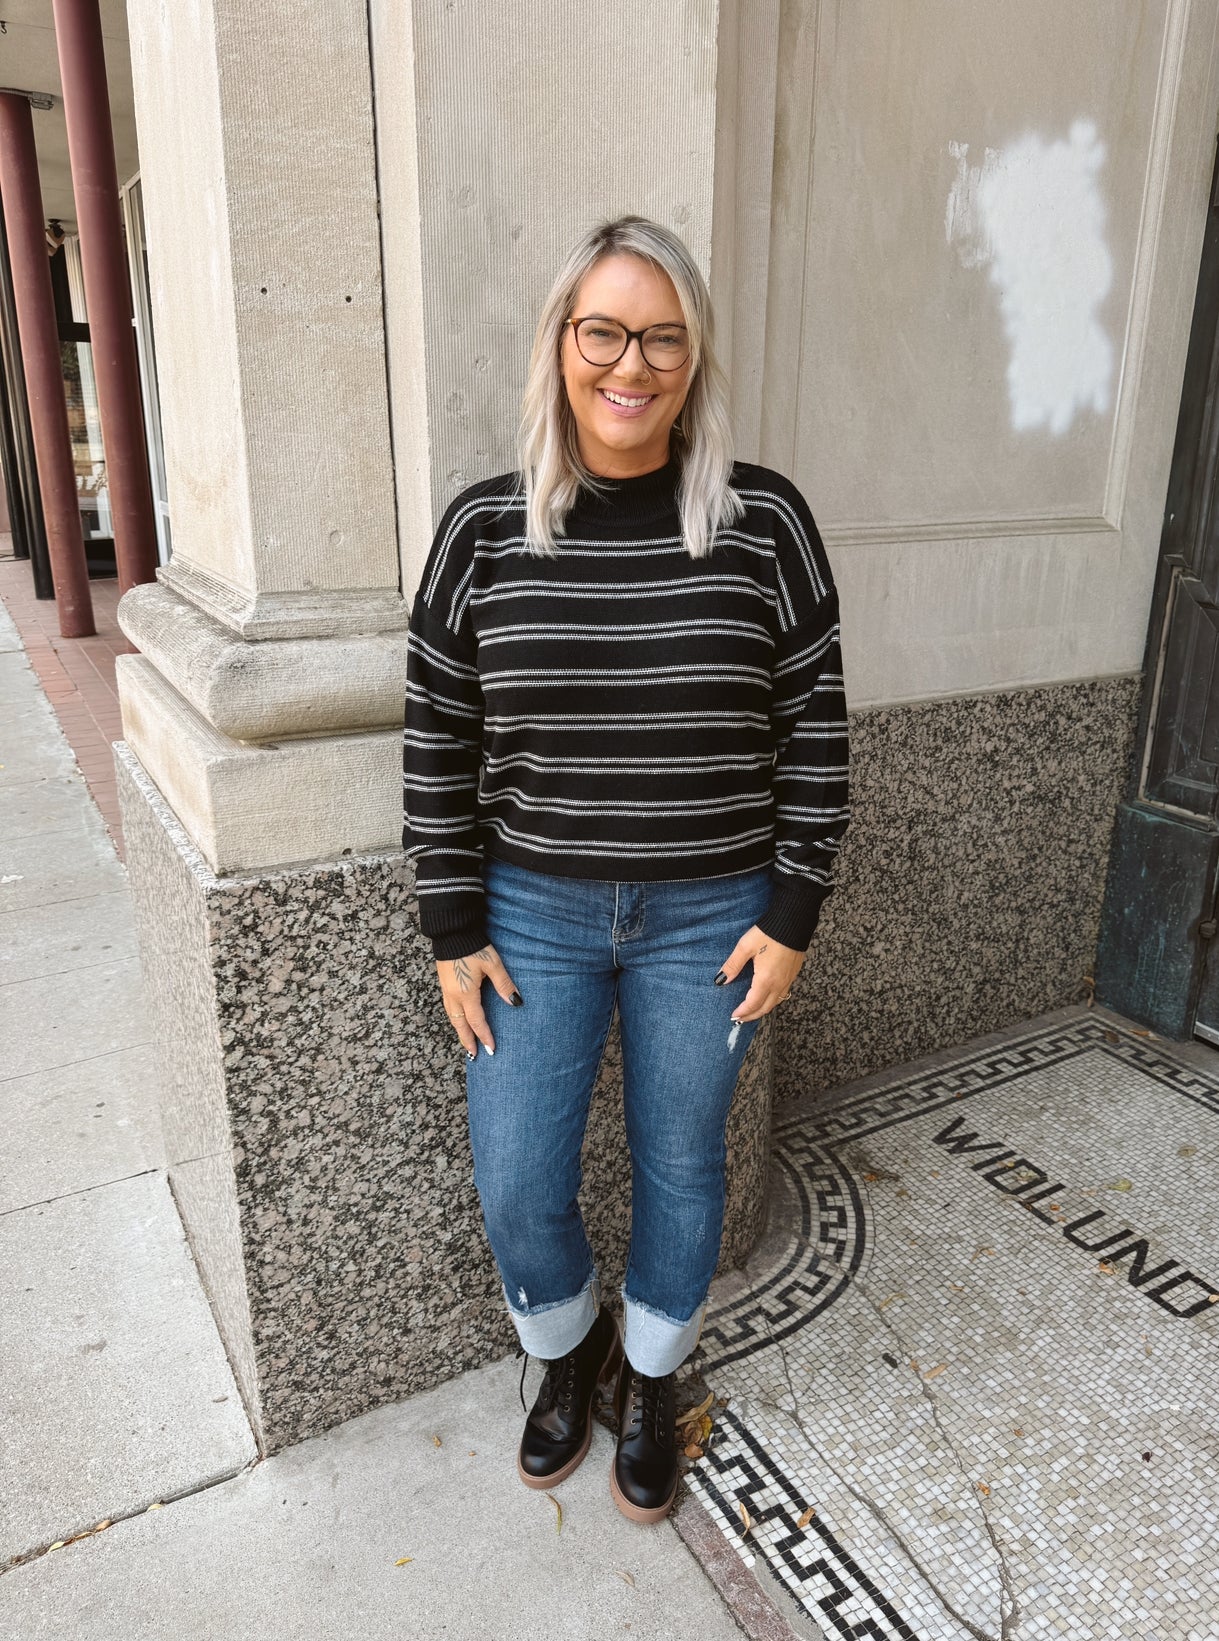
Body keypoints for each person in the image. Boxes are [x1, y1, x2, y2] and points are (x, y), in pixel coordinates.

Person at [402, 215, 849, 1524]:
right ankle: (566, 1347)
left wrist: (793, 910)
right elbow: (437, 728)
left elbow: (815, 724)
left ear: (692, 357)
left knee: (683, 1158)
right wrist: (450, 923)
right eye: (604, 331)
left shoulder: (764, 524)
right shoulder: (483, 531)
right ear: (562, 346)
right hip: (528, 914)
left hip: (710, 916)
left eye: (660, 336)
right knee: (519, 1178)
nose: (630, 363)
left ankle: (651, 1374)